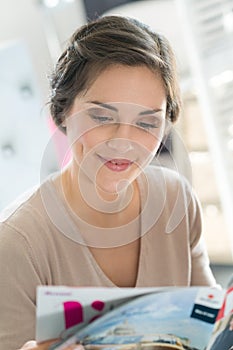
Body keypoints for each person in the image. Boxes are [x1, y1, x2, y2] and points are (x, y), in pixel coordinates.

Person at [0, 15, 217, 350]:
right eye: (102, 117)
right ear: (63, 112)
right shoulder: (16, 245)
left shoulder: (177, 201)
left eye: (147, 123)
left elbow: (209, 325)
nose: (124, 142)